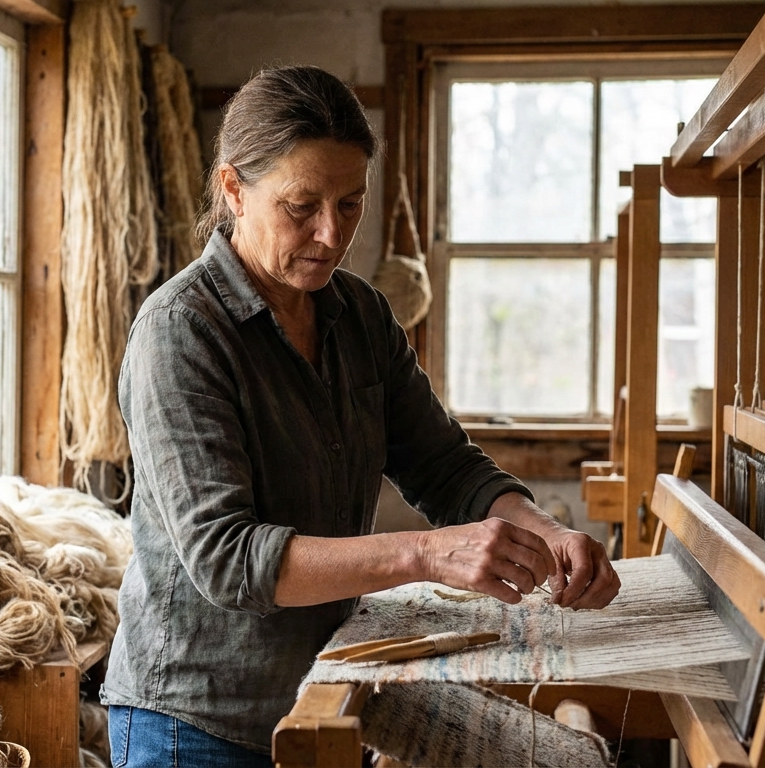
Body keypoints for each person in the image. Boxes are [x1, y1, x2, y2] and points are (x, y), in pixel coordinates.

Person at [100, 65, 621, 767]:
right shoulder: (180, 332)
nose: (330, 233)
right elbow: (227, 559)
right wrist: (426, 554)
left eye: (350, 204)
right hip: (197, 720)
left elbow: (445, 467)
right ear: (234, 190)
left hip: (328, 689)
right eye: (301, 206)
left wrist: (548, 535)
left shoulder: (360, 315)